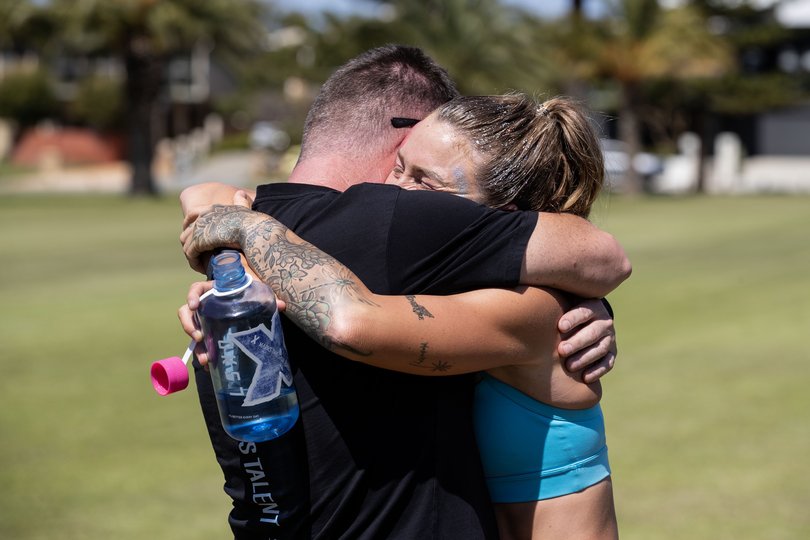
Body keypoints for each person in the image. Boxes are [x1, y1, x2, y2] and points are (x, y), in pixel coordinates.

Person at [178, 44, 628, 539]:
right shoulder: (472, 285)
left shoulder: (536, 312)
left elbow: (350, 321)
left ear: (501, 217)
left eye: (427, 185)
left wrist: (247, 229)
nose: (397, 194)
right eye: (399, 168)